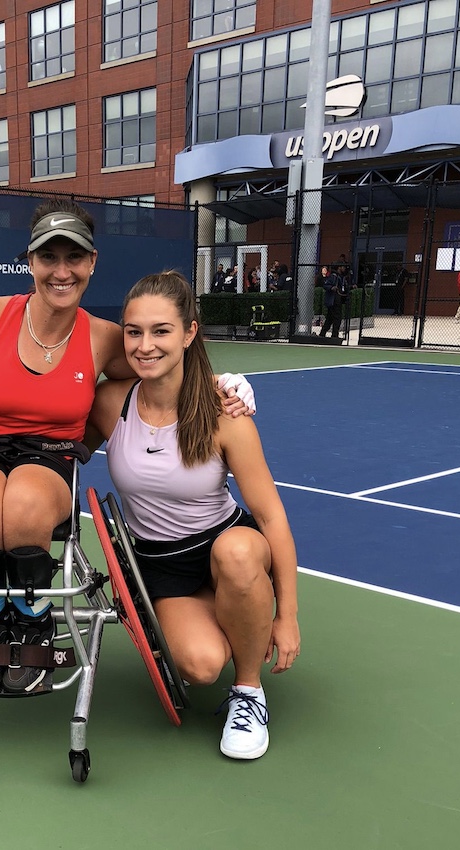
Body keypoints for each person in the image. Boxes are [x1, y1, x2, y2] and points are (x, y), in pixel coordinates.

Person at [0, 198, 256, 696]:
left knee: (25, 504)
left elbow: (164, 364)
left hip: (50, 458)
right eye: (49, 257)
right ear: (30, 261)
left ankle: (32, 620)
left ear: (92, 262)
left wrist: (223, 383)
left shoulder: (104, 339)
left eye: (74, 258)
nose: (62, 271)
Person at [86, 271, 300, 760]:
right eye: (134, 331)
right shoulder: (109, 404)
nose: (145, 346)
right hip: (161, 566)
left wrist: (286, 616)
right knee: (202, 667)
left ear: (189, 333)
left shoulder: (225, 412)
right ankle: (234, 617)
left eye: (161, 331)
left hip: (225, 544)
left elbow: (270, 516)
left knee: (241, 551)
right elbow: (62, 451)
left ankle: (249, 692)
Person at [319, 264, 344, 339]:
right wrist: (331, 288)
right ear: (339, 268)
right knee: (336, 318)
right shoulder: (334, 276)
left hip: (335, 301)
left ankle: (323, 333)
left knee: (330, 318)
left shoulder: (339, 277)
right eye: (342, 267)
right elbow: (326, 285)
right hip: (334, 301)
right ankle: (334, 335)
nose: (344, 268)